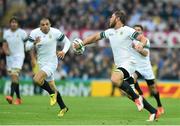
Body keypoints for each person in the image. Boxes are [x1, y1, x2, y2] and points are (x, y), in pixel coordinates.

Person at [73, 10, 160, 121]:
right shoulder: (110, 32)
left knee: (115, 78)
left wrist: (141, 45)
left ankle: (137, 98)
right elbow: (95, 37)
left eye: (112, 17)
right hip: (121, 65)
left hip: (129, 63)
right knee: (129, 94)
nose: (110, 19)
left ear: (118, 18)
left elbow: (143, 38)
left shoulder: (128, 30)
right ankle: (153, 111)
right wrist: (82, 43)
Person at [26, 18, 70, 117]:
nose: (45, 26)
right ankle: (63, 107)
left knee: (36, 79)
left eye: (47, 24)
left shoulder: (55, 32)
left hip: (52, 62)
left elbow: (68, 42)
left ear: (50, 24)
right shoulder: (34, 33)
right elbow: (27, 47)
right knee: (53, 86)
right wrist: (33, 43)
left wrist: (63, 51)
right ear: (40, 25)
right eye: (43, 24)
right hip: (41, 63)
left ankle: (51, 94)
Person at [130, 24, 164, 114]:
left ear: (142, 31)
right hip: (136, 67)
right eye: (135, 30)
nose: (137, 31)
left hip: (146, 68)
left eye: (139, 29)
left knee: (153, 88)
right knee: (132, 78)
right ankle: (141, 94)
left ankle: (159, 105)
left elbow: (145, 54)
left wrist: (139, 49)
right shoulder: (130, 41)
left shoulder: (145, 41)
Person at [2, 17, 27, 105]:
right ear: (10, 24)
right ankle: (19, 99)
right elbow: (4, 44)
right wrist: (6, 51)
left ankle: (11, 96)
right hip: (9, 58)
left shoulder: (22, 33)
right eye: (12, 22)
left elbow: (27, 43)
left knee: (14, 75)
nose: (14, 24)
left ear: (18, 24)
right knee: (15, 78)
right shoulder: (6, 33)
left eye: (15, 22)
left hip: (19, 56)